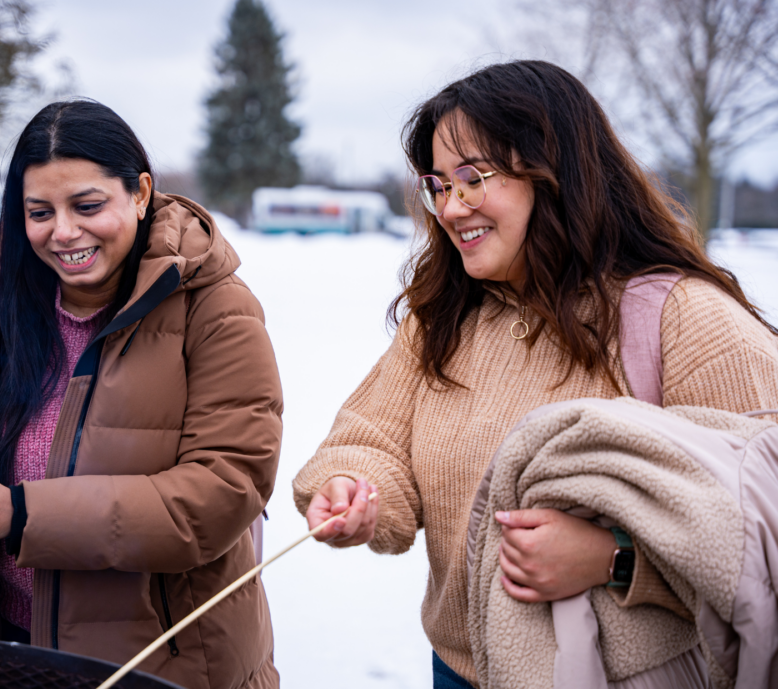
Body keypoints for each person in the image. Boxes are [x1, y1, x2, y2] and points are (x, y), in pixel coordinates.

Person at [292, 60, 778, 688]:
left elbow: (763, 521)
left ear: (554, 174)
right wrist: (353, 487)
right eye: (437, 185)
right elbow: (372, 436)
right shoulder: (444, 317)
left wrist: (616, 561)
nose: (450, 207)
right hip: (458, 671)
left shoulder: (684, 318)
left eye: (472, 179)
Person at [0, 100, 283, 689]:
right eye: (39, 212)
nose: (63, 232)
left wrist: (21, 514)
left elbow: (225, 489)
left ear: (140, 193)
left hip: (159, 668)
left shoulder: (215, 308)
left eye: (88, 206)